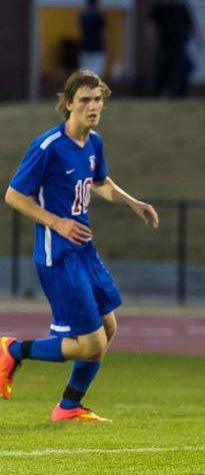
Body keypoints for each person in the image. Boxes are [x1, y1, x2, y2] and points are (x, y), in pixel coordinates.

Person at [0, 70, 160, 422]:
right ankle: (13, 349)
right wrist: (56, 222)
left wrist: (132, 201)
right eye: (85, 99)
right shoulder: (48, 147)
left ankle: (69, 406)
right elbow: (14, 195)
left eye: (98, 98)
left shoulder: (94, 143)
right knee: (91, 345)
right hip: (56, 255)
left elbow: (100, 182)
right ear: (68, 104)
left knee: (109, 328)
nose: (93, 106)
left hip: (84, 249)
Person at [147, 0, 199, 97]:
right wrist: (150, 37)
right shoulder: (159, 7)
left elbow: (192, 24)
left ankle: (179, 94)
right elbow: (151, 23)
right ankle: (160, 92)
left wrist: (197, 39)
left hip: (179, 46)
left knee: (180, 70)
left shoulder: (182, 7)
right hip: (164, 45)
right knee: (162, 69)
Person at [78, 0, 106, 76]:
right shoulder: (99, 15)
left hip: (85, 49)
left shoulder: (83, 15)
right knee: (95, 77)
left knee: (85, 77)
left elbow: (80, 32)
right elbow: (103, 33)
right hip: (96, 50)